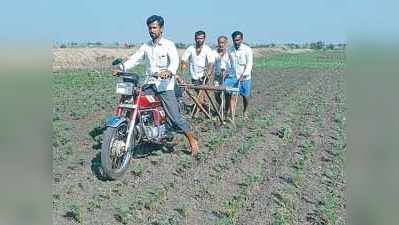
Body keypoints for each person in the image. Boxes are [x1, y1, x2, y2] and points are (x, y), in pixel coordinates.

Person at [113, 15, 199, 156]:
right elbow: (134, 59)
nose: (151, 30)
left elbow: (174, 62)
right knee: (134, 101)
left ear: (161, 29)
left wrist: (169, 72)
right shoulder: (146, 46)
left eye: (154, 27)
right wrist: (121, 67)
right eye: (150, 28)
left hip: (165, 86)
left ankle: (192, 140)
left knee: (175, 118)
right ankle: (137, 130)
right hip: (149, 84)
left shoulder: (168, 45)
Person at [229, 31, 253, 119]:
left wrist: (244, 75)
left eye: (238, 40)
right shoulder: (230, 50)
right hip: (234, 78)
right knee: (233, 96)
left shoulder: (247, 50)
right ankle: (232, 117)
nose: (236, 42)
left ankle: (245, 110)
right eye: (234, 40)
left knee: (246, 96)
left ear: (242, 39)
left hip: (245, 78)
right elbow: (229, 64)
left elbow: (249, 64)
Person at [212, 35, 235, 119]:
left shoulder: (229, 54)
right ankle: (220, 106)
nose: (221, 44)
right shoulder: (214, 53)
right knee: (216, 93)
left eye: (223, 43)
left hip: (227, 77)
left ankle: (226, 111)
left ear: (226, 43)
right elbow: (211, 64)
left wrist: (226, 73)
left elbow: (232, 66)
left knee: (227, 95)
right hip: (217, 77)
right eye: (219, 43)